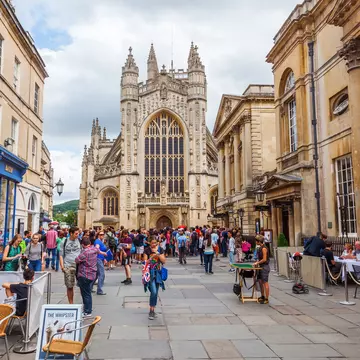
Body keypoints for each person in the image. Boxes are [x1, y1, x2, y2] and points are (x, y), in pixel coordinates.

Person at [75, 237, 101, 317]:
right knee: (88, 293)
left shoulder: (85, 252)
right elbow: (98, 249)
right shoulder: (94, 249)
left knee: (85, 294)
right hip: (92, 275)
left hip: (84, 275)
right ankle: (88, 308)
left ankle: (87, 311)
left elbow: (77, 260)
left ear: (82, 244)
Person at [143, 238, 166, 320]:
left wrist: (158, 254)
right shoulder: (147, 250)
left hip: (158, 273)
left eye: (155, 243)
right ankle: (151, 311)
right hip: (150, 273)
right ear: (150, 243)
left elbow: (164, 261)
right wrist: (152, 257)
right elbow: (145, 262)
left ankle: (152, 310)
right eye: (152, 243)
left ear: (157, 243)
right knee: (153, 291)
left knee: (155, 293)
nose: (154, 244)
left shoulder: (160, 249)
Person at [59, 227, 81, 304]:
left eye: (78, 233)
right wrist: (62, 266)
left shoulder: (79, 240)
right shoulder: (64, 241)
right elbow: (61, 255)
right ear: (71, 233)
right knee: (69, 286)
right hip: (68, 265)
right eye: (76, 233)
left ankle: (84, 303)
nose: (77, 235)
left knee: (82, 285)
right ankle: (71, 304)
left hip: (79, 265)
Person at [253, 235, 270, 304]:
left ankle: (266, 298)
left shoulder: (264, 248)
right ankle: (262, 296)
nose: (255, 242)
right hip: (260, 266)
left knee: (265, 282)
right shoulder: (260, 247)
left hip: (264, 267)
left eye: (256, 241)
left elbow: (264, 259)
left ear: (259, 241)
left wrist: (257, 262)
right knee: (260, 281)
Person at [92, 231, 108, 295]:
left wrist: (104, 258)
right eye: (101, 234)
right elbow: (96, 249)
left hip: (100, 259)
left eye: (103, 234)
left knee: (96, 275)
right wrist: (102, 253)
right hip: (98, 259)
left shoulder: (101, 241)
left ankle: (89, 287)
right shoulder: (97, 241)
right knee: (102, 274)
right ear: (98, 235)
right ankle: (99, 290)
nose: (102, 235)